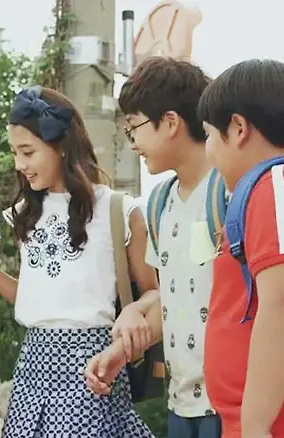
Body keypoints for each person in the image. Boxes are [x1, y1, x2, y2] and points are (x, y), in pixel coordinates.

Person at [0, 86, 158, 437]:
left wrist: (133, 313)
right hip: (33, 364)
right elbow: (37, 298)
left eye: (28, 152)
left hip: (94, 364)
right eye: (15, 153)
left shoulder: (118, 210)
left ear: (62, 145)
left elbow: (156, 294)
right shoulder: (25, 213)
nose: (19, 165)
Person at [85, 57, 222, 438]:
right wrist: (124, 346)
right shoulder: (160, 202)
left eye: (134, 128)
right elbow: (175, 299)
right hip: (181, 403)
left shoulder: (227, 192)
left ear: (171, 122)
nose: (133, 144)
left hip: (231, 403)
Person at [199, 59, 284, 438]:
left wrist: (255, 424)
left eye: (209, 135)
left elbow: (280, 302)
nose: (209, 152)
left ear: (238, 128)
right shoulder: (263, 190)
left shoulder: (274, 185)